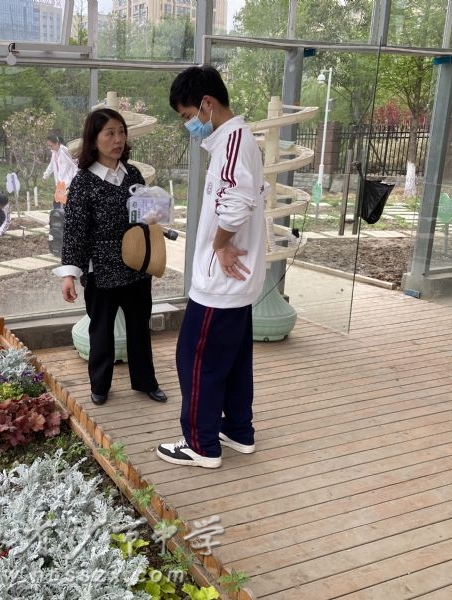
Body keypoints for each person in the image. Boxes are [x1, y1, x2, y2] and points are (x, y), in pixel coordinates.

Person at [156, 65, 267, 469]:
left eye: (188, 115)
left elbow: (236, 204)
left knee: (195, 360)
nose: (189, 124)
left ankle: (201, 444)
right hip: (234, 283)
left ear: (207, 103)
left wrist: (219, 246)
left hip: (220, 283)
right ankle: (237, 430)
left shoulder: (232, 143)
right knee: (233, 360)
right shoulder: (237, 141)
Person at [54, 108, 167, 406]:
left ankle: (146, 382)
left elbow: (144, 218)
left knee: (139, 328)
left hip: (136, 267)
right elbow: (75, 231)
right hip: (101, 271)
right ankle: (100, 385)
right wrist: (70, 274)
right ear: (94, 139)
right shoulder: (83, 182)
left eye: (121, 131)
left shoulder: (133, 174)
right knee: (101, 332)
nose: (118, 139)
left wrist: (155, 212)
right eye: (110, 133)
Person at [43, 134, 78, 208]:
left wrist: (74, 179)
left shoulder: (65, 151)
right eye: (48, 146)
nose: (49, 148)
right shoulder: (54, 152)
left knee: (63, 205)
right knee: (58, 204)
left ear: (57, 143)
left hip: (68, 182)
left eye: (51, 145)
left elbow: (75, 164)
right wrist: (46, 175)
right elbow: (51, 165)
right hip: (60, 183)